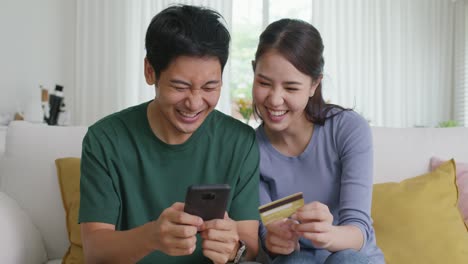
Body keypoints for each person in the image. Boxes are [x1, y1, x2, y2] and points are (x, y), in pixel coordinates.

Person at [79, 5, 261, 264]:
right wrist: (152, 236)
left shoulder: (239, 141)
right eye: (180, 86)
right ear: (150, 71)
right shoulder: (105, 139)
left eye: (210, 86)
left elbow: (250, 246)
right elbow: (95, 251)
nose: (195, 103)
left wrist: (234, 250)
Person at [252, 19, 385, 264]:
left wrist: (329, 235)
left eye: (291, 88)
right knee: (294, 261)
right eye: (264, 83)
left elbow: (358, 232)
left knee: (346, 259)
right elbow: (265, 235)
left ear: (314, 84)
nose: (275, 99)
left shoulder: (348, 129)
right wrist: (273, 240)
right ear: (253, 73)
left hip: (350, 256)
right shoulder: (250, 149)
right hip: (296, 259)